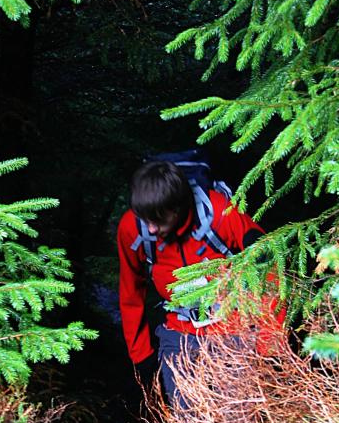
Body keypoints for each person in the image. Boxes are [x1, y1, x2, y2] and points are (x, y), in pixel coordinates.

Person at [117, 159, 284, 405]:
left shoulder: (221, 214)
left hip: (233, 327)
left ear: (179, 207)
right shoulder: (133, 228)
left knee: (236, 420)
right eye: (145, 219)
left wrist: (269, 342)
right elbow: (130, 292)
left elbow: (269, 271)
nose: (151, 229)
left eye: (159, 220)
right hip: (178, 333)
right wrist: (141, 355)